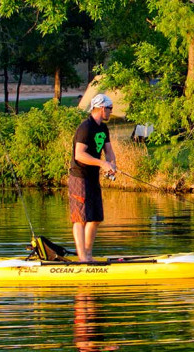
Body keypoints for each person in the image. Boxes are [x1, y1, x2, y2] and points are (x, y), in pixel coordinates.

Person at [68, 93, 116, 262]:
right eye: (110, 109)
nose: (111, 112)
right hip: (79, 177)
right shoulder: (85, 127)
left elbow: (109, 151)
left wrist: (112, 165)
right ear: (102, 108)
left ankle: (88, 255)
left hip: (93, 177)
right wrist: (103, 164)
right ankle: (83, 257)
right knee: (80, 218)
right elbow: (79, 155)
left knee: (95, 218)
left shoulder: (103, 128)